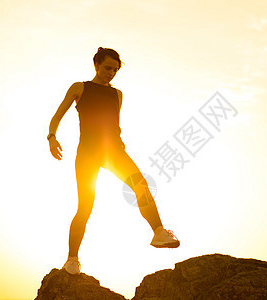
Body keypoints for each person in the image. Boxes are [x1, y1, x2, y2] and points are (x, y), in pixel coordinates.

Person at [47, 47, 180, 275]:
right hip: (88, 154)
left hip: (114, 151)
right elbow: (57, 115)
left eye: (115, 70)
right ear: (96, 65)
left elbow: (113, 125)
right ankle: (72, 259)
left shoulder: (117, 94)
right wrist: (51, 137)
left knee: (141, 185)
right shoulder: (80, 88)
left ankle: (158, 232)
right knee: (85, 207)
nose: (111, 73)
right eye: (108, 68)